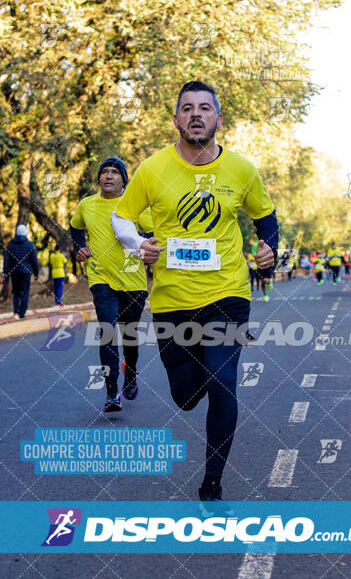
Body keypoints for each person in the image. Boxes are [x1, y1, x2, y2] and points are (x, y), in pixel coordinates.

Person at [111, 81, 278, 507]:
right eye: (187, 108)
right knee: (185, 397)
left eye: (205, 108)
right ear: (176, 120)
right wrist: (137, 244)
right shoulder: (152, 169)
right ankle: (202, 367)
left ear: (219, 119)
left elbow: (266, 218)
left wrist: (268, 250)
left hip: (227, 293)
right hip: (171, 300)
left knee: (224, 383)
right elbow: (122, 218)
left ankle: (212, 482)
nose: (196, 114)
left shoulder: (240, 170)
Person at [70, 157, 155, 413]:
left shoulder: (136, 207)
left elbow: (153, 235)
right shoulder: (86, 205)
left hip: (134, 281)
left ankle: (130, 373)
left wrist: (143, 244)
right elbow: (75, 229)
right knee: (107, 332)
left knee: (129, 335)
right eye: (104, 172)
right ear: (99, 178)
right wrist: (79, 247)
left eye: (115, 172)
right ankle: (111, 392)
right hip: (101, 279)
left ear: (123, 180)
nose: (108, 176)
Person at [3, 224, 39, 319]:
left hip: (14, 272)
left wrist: (5, 272)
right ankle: (22, 313)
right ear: (25, 233)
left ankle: (16, 312)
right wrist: (36, 273)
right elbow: (34, 260)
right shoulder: (30, 245)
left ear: (17, 232)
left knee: (16, 292)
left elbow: (7, 260)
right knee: (25, 292)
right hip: (26, 272)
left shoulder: (10, 244)